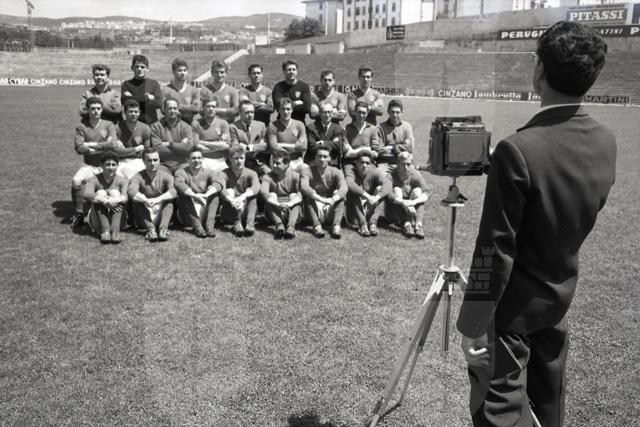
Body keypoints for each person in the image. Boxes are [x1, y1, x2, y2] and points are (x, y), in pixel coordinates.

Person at [456, 21, 616, 427]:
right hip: (557, 301)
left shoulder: (518, 149)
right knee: (548, 410)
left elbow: (494, 248)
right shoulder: (605, 141)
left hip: (509, 316)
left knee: (499, 415)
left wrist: (473, 322)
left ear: (539, 69)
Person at [69, 97, 118, 228]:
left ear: (102, 110)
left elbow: (112, 145)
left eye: (98, 108)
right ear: (88, 110)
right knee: (76, 180)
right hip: (90, 165)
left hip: (107, 166)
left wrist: (90, 145)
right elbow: (79, 148)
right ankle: (79, 214)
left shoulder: (109, 125)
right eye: (93, 108)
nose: (96, 111)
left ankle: (123, 214)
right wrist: (102, 146)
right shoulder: (81, 127)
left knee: (116, 189)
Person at [127, 147, 177, 242]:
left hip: (161, 211)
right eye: (149, 160)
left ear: (159, 160)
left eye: (155, 160)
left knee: (169, 201)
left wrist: (157, 199)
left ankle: (163, 229)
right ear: (144, 161)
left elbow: (174, 191)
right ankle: (151, 230)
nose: (153, 163)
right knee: (137, 202)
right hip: (145, 213)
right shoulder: (137, 177)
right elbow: (131, 192)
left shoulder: (167, 176)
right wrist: (146, 200)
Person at [174, 147, 224, 238]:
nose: (197, 160)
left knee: (215, 195)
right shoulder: (181, 172)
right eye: (193, 158)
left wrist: (206, 195)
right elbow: (179, 184)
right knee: (182, 196)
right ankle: (197, 227)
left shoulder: (209, 172)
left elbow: (219, 183)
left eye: (199, 158)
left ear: (202, 159)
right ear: (187, 160)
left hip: (203, 208)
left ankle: (210, 227)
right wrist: (195, 196)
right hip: (188, 215)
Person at [301, 146, 347, 239]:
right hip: (313, 209)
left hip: (330, 207)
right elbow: (304, 187)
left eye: (325, 157)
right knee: (309, 194)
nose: (322, 159)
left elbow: (344, 187)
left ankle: (336, 226)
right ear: (315, 158)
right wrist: (321, 199)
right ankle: (317, 226)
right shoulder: (307, 171)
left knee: (339, 195)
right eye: (319, 156)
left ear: (329, 158)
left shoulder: (336, 171)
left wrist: (333, 199)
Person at [345, 150, 391, 237]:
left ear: (371, 164)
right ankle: (362, 225)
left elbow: (388, 184)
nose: (364, 165)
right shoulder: (350, 170)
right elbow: (349, 183)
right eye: (362, 162)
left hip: (370, 207)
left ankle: (373, 223)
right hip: (355, 213)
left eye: (367, 163)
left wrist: (377, 197)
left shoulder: (374, 172)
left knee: (380, 189)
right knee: (353, 191)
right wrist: (367, 196)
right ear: (357, 163)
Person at [84, 152, 129, 243]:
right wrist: (105, 200)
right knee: (100, 193)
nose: (111, 167)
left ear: (117, 166)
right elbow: (87, 194)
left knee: (115, 193)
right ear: (101, 165)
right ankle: (105, 231)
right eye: (107, 164)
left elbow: (125, 197)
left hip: (119, 220)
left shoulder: (122, 180)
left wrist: (114, 200)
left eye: (113, 165)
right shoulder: (94, 179)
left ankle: (115, 231)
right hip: (97, 221)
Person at [219, 145, 261, 237]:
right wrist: (233, 200)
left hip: (245, 210)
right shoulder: (224, 173)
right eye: (236, 158)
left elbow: (257, 187)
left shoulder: (251, 173)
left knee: (251, 193)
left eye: (242, 158)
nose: (239, 161)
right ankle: (236, 223)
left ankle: (250, 224)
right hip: (229, 210)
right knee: (230, 191)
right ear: (230, 159)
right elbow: (221, 189)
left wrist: (242, 197)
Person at [386, 152, 430, 239]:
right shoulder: (391, 175)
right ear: (397, 163)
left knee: (418, 191)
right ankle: (407, 224)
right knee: (397, 190)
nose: (406, 167)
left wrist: (413, 202)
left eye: (408, 164)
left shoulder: (415, 174)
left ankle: (418, 225)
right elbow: (387, 193)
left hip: (411, 209)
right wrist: (403, 202)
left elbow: (427, 192)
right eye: (403, 164)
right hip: (394, 212)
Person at [260, 150, 303, 239]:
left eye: (278, 163)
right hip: (274, 212)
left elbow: (301, 193)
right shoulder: (267, 177)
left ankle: (291, 227)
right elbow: (264, 192)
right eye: (273, 163)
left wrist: (289, 204)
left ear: (287, 164)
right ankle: (279, 226)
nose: (274, 166)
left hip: (290, 211)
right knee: (272, 195)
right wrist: (277, 204)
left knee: (293, 195)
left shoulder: (295, 176)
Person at [150, 97, 194, 174]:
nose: (173, 111)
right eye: (170, 108)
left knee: (182, 177)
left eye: (175, 108)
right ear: (164, 109)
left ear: (178, 109)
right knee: (161, 177)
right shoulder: (156, 126)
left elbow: (188, 148)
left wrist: (169, 144)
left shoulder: (186, 127)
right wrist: (180, 146)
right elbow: (157, 149)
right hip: (162, 164)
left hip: (182, 164)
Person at [267, 97, 308, 173]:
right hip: (280, 161)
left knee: (306, 169)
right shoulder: (273, 126)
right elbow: (274, 146)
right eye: (283, 109)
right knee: (287, 173)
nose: (286, 112)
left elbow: (303, 147)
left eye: (288, 109)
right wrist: (295, 146)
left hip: (297, 161)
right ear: (278, 110)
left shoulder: (300, 124)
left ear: (292, 110)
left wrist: (282, 145)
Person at [230, 100, 269, 176]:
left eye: (252, 112)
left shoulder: (261, 125)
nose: (250, 115)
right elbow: (235, 147)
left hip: (258, 162)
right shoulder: (233, 127)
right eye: (247, 112)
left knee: (269, 175)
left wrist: (249, 147)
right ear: (240, 113)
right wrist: (258, 147)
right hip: (241, 163)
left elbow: (266, 146)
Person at [191, 97, 231, 172]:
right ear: (203, 108)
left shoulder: (223, 124)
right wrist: (219, 146)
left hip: (221, 161)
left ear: (216, 108)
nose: (211, 109)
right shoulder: (196, 124)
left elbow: (226, 145)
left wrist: (203, 143)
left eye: (213, 106)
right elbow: (197, 146)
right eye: (208, 106)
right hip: (203, 160)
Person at [114, 99, 151, 180]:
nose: (133, 114)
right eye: (130, 111)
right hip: (123, 162)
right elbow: (117, 152)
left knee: (145, 178)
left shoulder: (145, 128)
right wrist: (136, 149)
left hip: (140, 161)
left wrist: (125, 151)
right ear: (124, 112)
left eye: (136, 111)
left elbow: (146, 151)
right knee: (125, 177)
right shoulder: (117, 128)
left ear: (139, 112)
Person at [121, 54, 162, 124]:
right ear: (132, 68)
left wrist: (133, 98)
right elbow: (125, 102)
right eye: (137, 66)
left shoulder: (154, 83)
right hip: (132, 123)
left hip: (151, 123)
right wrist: (147, 97)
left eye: (142, 67)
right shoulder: (126, 84)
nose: (139, 69)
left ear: (147, 69)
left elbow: (159, 103)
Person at [376, 99, 414, 175]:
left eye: (397, 112)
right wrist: (401, 150)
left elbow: (409, 147)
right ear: (388, 112)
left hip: (404, 162)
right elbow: (379, 150)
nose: (395, 115)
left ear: (402, 113)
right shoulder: (380, 127)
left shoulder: (407, 126)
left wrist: (392, 147)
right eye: (392, 112)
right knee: (378, 175)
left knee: (415, 176)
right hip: (385, 164)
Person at [305, 101, 346, 168]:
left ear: (332, 113)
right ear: (320, 113)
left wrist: (322, 143)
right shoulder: (311, 128)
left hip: (332, 163)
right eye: (325, 112)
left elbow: (339, 146)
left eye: (329, 112)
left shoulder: (338, 129)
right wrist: (331, 143)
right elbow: (312, 146)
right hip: (314, 162)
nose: (327, 115)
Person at [162, 58, 200, 124]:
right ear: (173, 72)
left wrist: (175, 107)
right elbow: (163, 109)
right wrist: (188, 107)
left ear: (187, 72)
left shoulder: (194, 90)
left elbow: (196, 108)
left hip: (189, 125)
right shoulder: (166, 90)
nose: (183, 73)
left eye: (184, 70)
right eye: (179, 70)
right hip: (171, 125)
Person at [343, 101, 381, 169]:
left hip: (368, 163)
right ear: (354, 112)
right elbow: (347, 154)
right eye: (359, 112)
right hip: (351, 164)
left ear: (367, 114)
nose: (361, 115)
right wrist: (365, 149)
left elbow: (375, 153)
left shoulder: (372, 129)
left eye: (364, 113)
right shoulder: (346, 129)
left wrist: (354, 152)